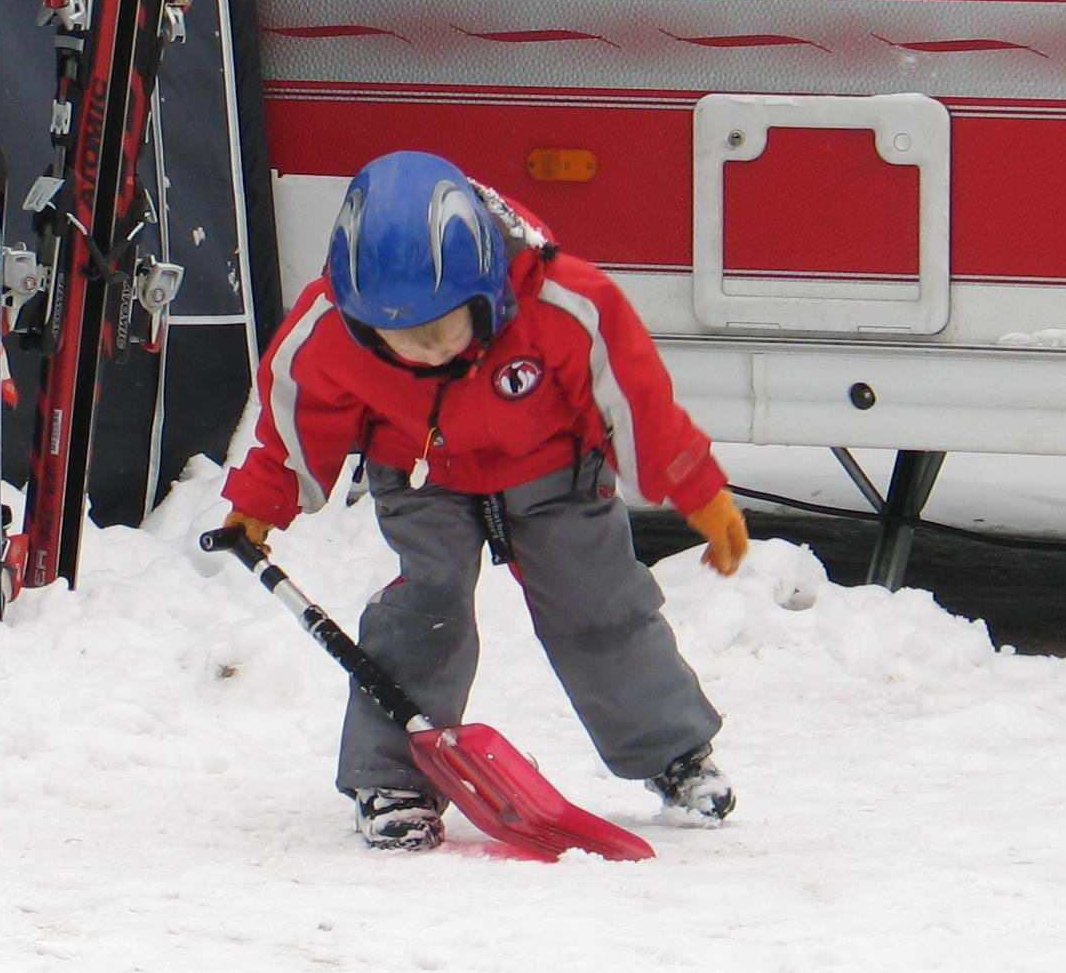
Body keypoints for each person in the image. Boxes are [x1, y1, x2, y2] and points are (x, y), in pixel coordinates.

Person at [219, 150, 752, 851]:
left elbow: (636, 402)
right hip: (419, 475)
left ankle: (675, 755)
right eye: (398, 338)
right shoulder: (327, 330)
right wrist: (261, 501)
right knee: (426, 608)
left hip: (553, 467)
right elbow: (294, 421)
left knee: (599, 603)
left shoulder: (562, 302)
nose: (424, 352)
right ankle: (393, 781)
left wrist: (698, 489)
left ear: (486, 290)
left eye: (441, 329)